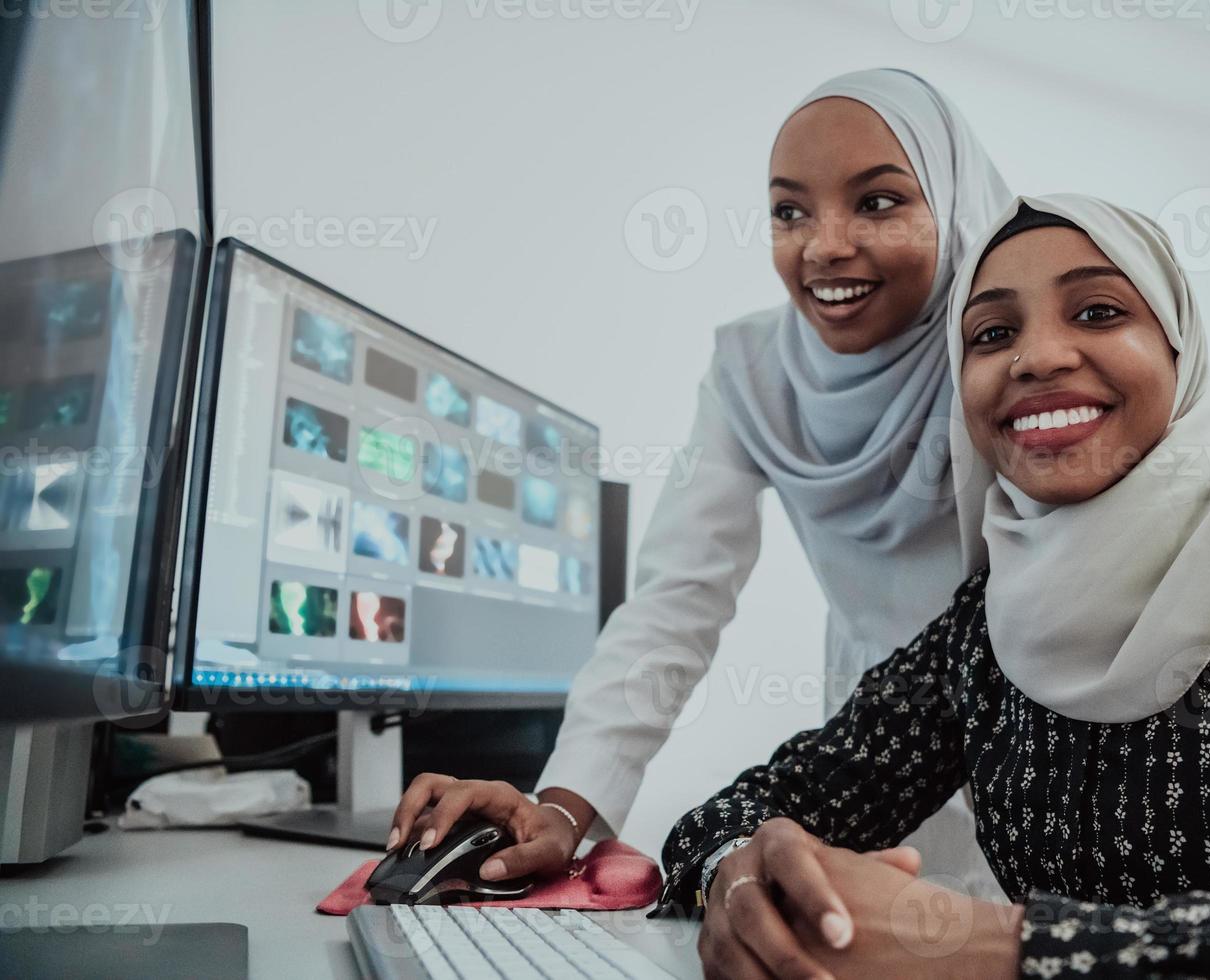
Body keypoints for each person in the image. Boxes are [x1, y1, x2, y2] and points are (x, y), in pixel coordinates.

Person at [656, 194, 1210, 979]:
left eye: (1098, 312)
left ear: (1182, 353)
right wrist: (744, 875)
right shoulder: (983, 631)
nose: (1037, 356)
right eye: (992, 333)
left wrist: (1009, 952)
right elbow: (752, 809)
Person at [385, 68, 1014, 900]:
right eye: (789, 211)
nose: (823, 245)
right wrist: (563, 808)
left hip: (1034, 731)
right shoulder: (753, 372)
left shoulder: (1009, 353)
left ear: (958, 206)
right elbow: (673, 604)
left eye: (878, 202)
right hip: (871, 742)